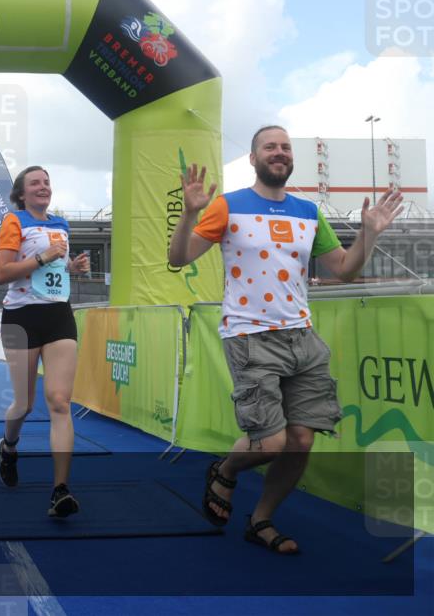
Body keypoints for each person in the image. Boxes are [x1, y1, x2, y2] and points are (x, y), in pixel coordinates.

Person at [168, 125, 403, 554]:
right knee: (271, 442)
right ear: (254, 158)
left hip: (302, 337)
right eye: (269, 147)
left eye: (285, 147)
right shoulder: (228, 206)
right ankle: (225, 470)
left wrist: (370, 232)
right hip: (250, 335)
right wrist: (188, 214)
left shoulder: (309, 213)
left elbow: (345, 269)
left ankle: (261, 520)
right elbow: (178, 258)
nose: (279, 152)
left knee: (301, 441)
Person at [0, 166, 90, 518]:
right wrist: (42, 257)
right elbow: (2, 273)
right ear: (21, 192)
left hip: (58, 315)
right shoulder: (13, 221)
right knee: (24, 404)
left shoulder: (61, 224)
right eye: (35, 182)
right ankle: (9, 445)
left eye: (47, 182)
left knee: (60, 401)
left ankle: (59, 490)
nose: (43, 186)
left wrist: (71, 268)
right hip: (21, 318)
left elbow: (54, 271)